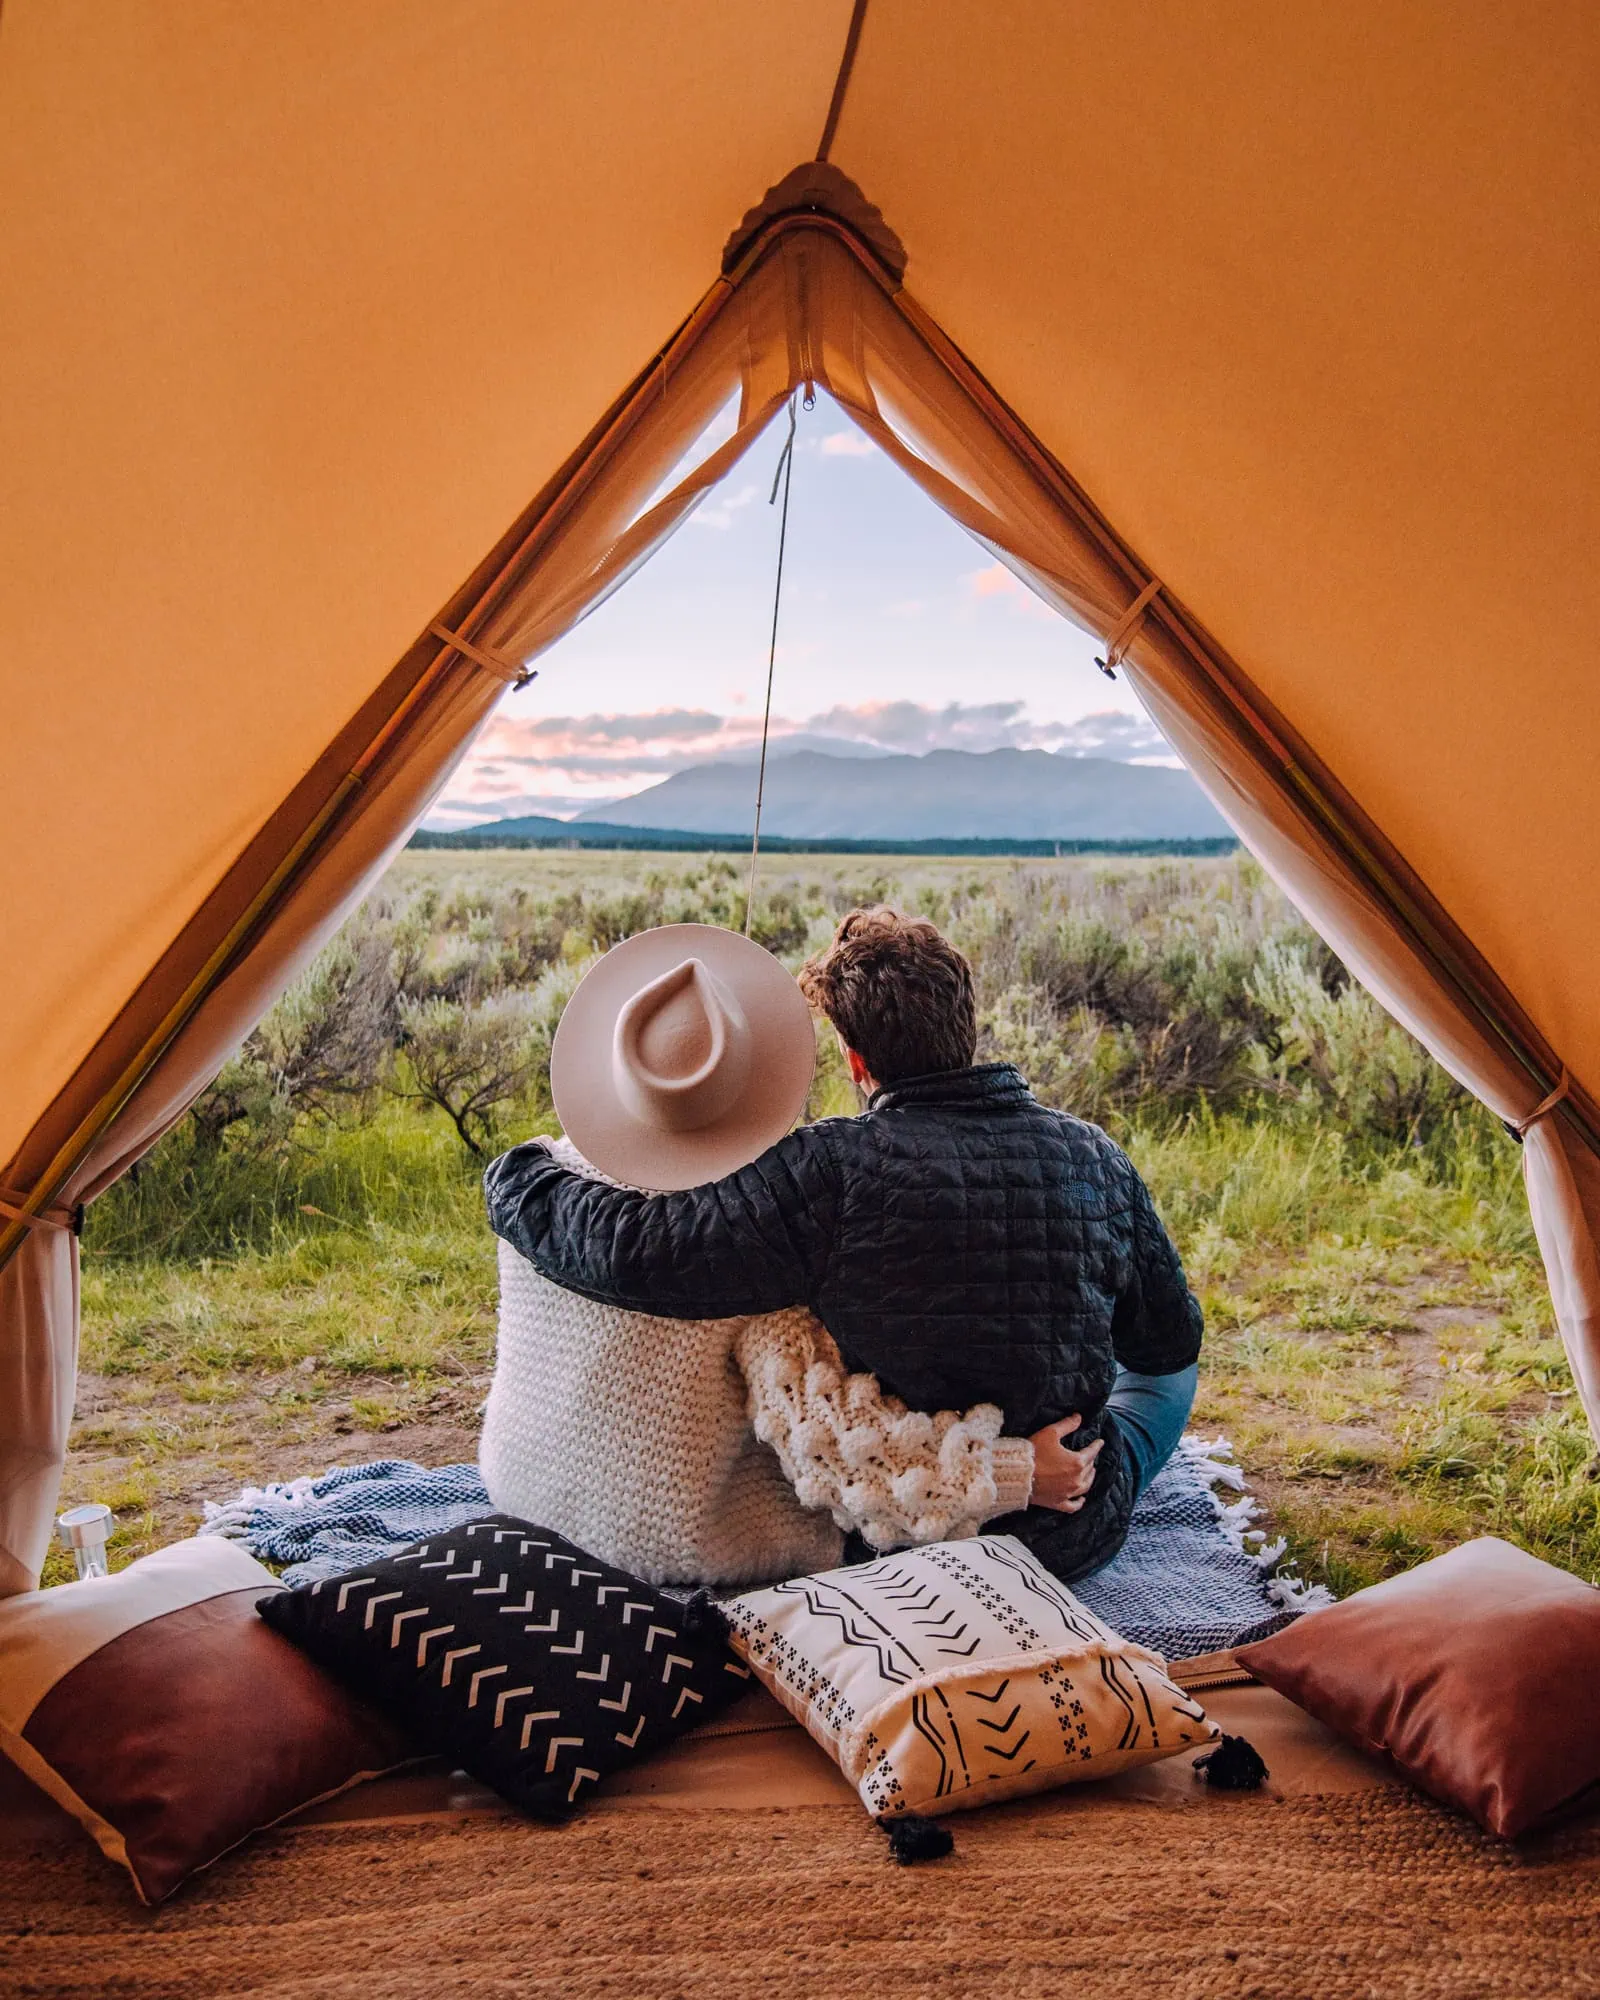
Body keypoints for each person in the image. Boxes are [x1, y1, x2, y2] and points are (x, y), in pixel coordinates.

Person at [487, 907, 1202, 1585]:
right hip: (1073, 1526)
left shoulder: (825, 1171)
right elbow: (1168, 1341)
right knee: (1165, 1380)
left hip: (908, 1542)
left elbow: (636, 1253)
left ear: (856, 1061)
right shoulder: (1094, 1153)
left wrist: (517, 1177)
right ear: (966, 1025)